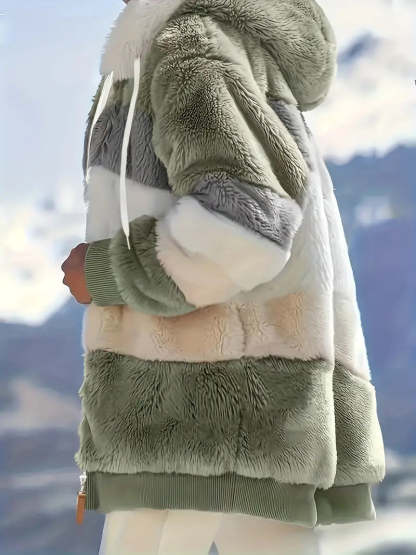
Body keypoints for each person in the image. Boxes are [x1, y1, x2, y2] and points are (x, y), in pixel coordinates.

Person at [61, 0, 386, 553]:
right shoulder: (211, 44)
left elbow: (244, 226)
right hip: (247, 425)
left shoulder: (189, 47)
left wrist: (107, 271)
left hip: (193, 425)